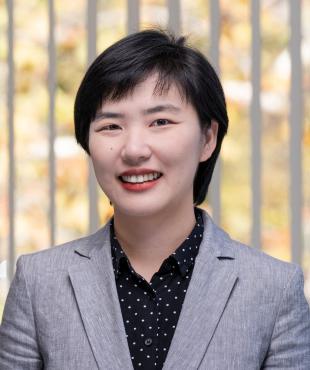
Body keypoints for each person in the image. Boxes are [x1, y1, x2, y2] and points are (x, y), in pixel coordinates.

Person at [0, 29, 309, 370]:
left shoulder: (274, 290)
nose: (134, 149)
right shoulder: (39, 282)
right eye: (111, 126)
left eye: (160, 121)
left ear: (208, 137)